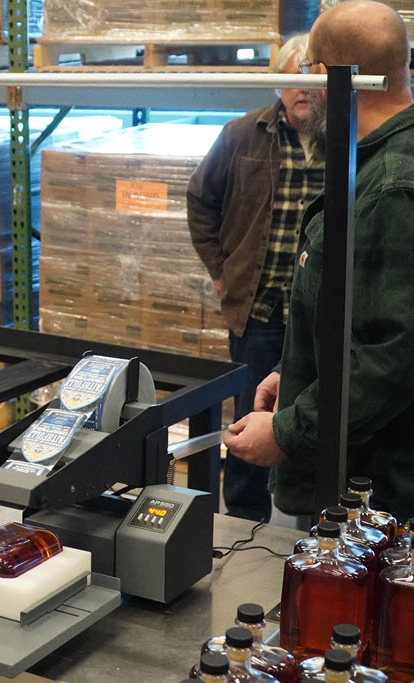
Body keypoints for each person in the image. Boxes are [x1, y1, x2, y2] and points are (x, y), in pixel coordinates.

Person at [224, 0, 414, 523]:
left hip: (378, 499)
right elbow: (353, 311)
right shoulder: (371, 162)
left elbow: (393, 357)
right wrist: (298, 369)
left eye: (310, 67)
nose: (304, 86)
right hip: (355, 471)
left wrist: (287, 432)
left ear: (343, 75)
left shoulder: (394, 185)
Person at [187, 33, 325, 522]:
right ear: (279, 84)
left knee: (314, 422)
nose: (304, 89)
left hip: (320, 317)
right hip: (260, 308)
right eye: (294, 79)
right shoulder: (242, 134)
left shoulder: (345, 134)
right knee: (251, 418)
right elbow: (201, 200)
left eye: (313, 76)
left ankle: (315, 527)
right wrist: (222, 274)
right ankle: (245, 521)